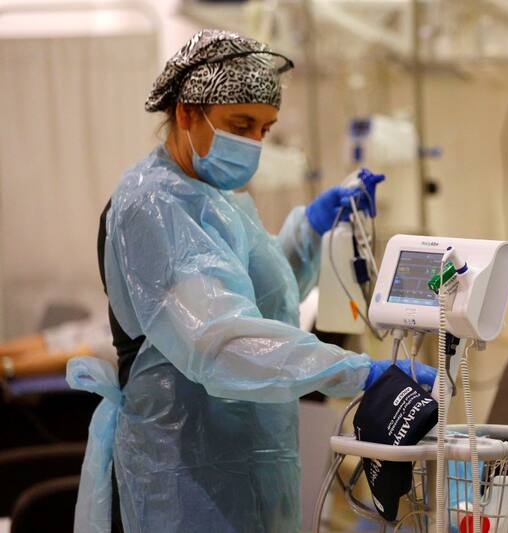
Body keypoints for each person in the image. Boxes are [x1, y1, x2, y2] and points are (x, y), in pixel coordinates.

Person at [68, 29, 436, 533]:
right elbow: (221, 342)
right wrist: (358, 372)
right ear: (186, 114)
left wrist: (311, 228)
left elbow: (259, 298)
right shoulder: (151, 206)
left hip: (248, 460)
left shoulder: (218, 197)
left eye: (265, 129)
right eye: (240, 124)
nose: (253, 144)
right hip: (184, 472)